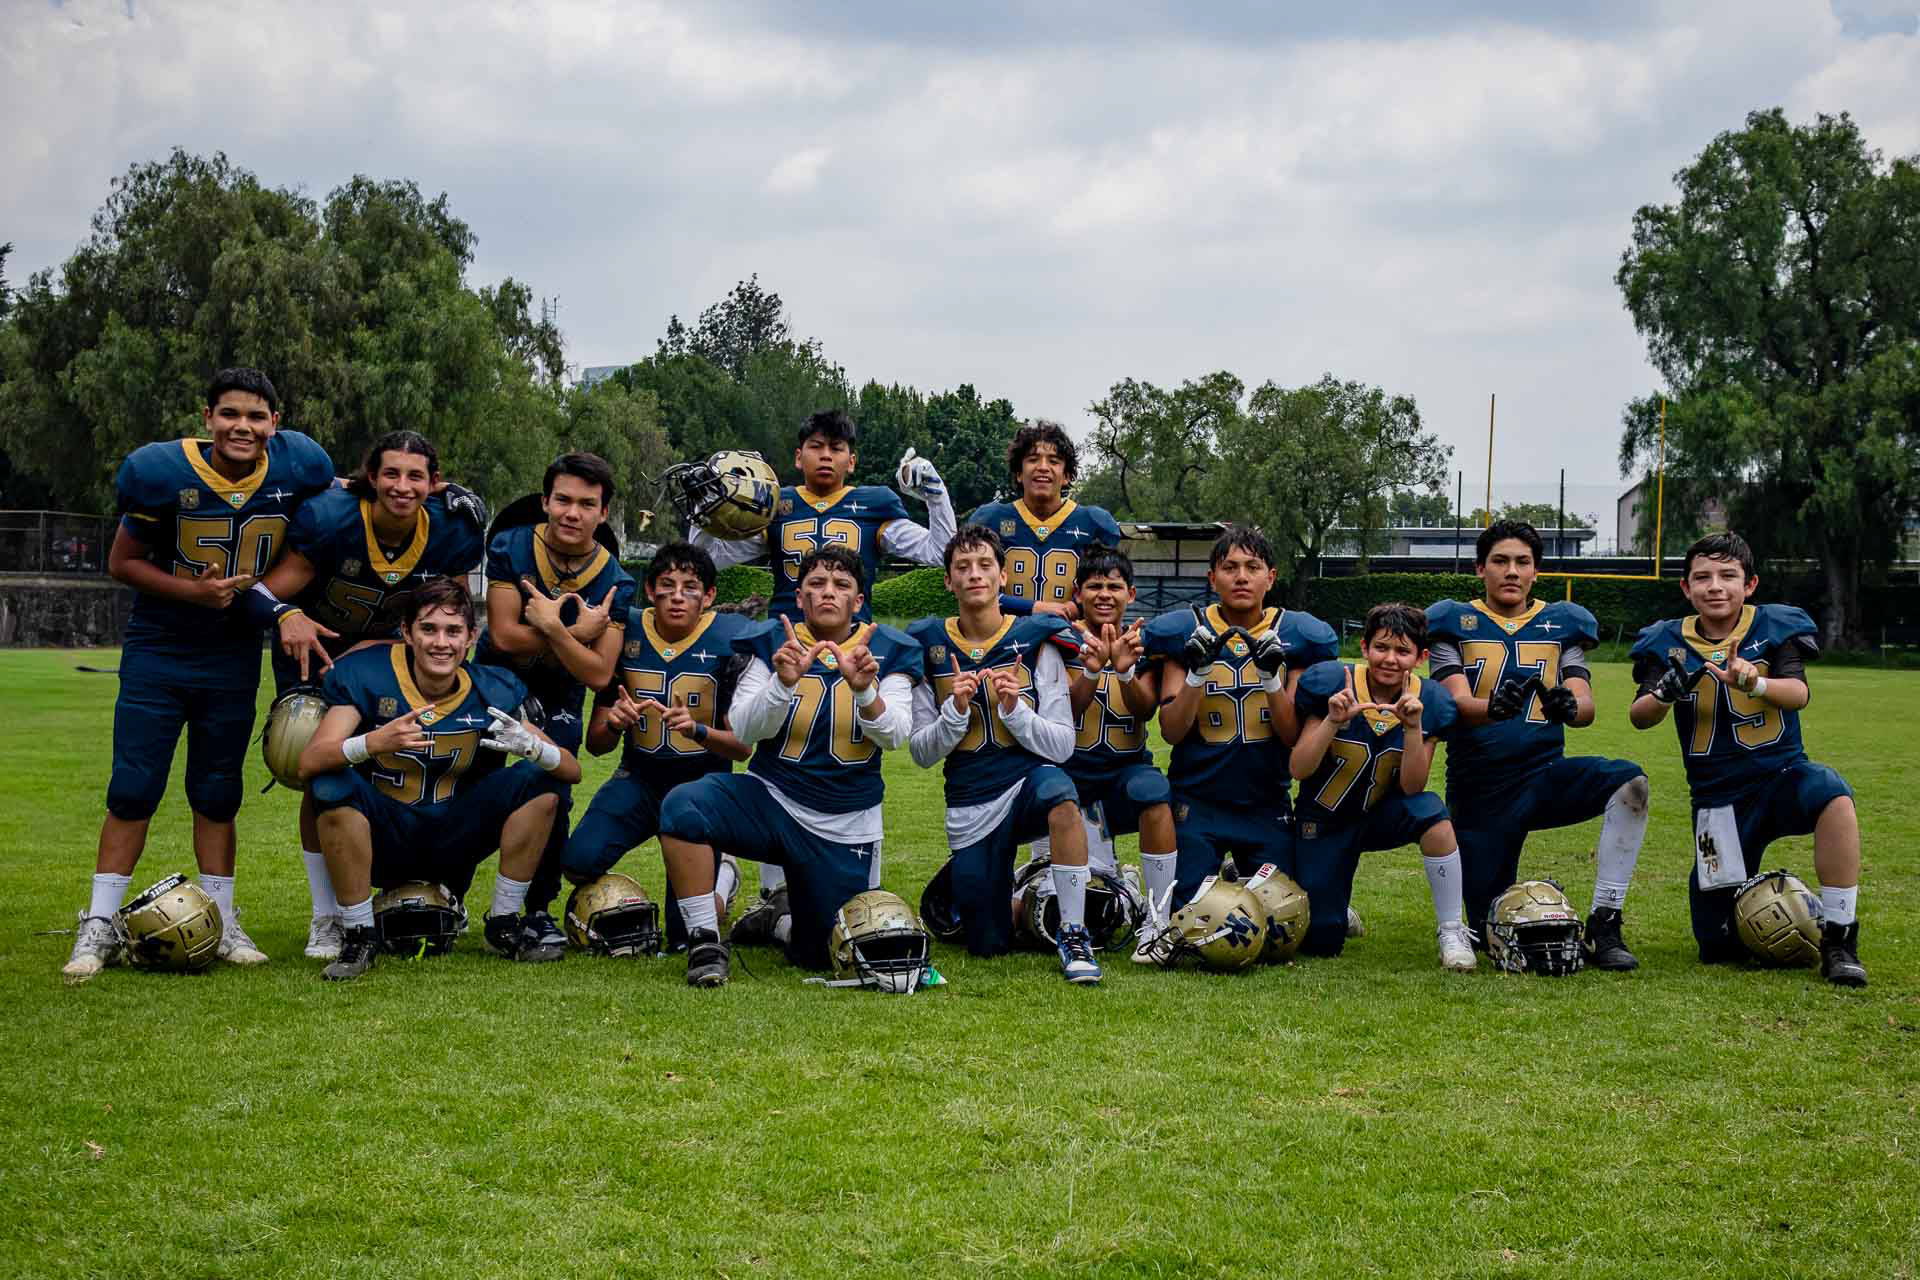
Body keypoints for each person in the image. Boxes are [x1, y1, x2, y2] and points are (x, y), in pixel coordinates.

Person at [65, 368, 335, 980]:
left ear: (275, 423)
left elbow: (339, 503)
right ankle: (99, 922)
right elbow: (122, 562)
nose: (243, 426)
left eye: (256, 416)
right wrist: (192, 591)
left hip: (231, 652)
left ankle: (222, 916)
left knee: (217, 790)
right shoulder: (163, 473)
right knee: (134, 786)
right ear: (208, 417)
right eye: (230, 413)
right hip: (160, 646)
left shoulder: (298, 467)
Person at [693, 408, 954, 909]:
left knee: (849, 755)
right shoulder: (775, 503)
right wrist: (704, 515)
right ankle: (774, 891)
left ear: (852, 460)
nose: (826, 456)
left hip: (854, 652)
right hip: (786, 647)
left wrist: (935, 495)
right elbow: (710, 559)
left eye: (837, 448)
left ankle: (844, 869)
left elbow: (937, 550)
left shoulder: (872, 504)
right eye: (816, 446)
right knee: (776, 752)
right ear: (798, 456)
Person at [247, 430, 486, 961]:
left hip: (400, 658)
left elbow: (452, 609)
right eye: (391, 473)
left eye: (416, 476)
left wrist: (389, 645)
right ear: (370, 477)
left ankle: (433, 888)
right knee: (315, 765)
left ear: (435, 482)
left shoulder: (451, 528)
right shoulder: (332, 518)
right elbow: (259, 589)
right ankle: (327, 916)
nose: (402, 486)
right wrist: (286, 614)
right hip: (320, 652)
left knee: (426, 758)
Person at [655, 547, 921, 987]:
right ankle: (705, 940)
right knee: (684, 805)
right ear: (799, 597)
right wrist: (781, 683)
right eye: (816, 584)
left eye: (841, 585)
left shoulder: (888, 648)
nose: (828, 593)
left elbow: (895, 735)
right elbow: (744, 728)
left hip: (845, 822)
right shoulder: (773, 641)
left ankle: (777, 920)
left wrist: (864, 691)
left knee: (818, 953)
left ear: (858, 600)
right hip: (772, 800)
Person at [297, 577, 580, 980]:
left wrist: (533, 746)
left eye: (453, 631)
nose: (441, 642)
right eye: (428, 629)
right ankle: (359, 934)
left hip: (453, 839)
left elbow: (571, 771)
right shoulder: (367, 674)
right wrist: (372, 742)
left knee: (541, 779)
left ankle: (503, 923)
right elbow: (310, 761)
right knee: (330, 782)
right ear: (406, 632)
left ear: (471, 637)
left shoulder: (491, 689)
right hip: (383, 838)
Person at [1628, 532, 1867, 986]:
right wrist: (1663, 695)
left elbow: (1798, 694)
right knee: (1718, 944)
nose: (1715, 586)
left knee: (1833, 794)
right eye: (1703, 577)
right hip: (1716, 801)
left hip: (1781, 776)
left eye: (1728, 575)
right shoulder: (1667, 640)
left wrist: (1753, 682)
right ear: (1686, 588)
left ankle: (1840, 937)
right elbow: (1640, 717)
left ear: (1750, 584)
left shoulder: (1773, 626)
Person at [1425, 520, 1648, 969]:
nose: (1512, 571)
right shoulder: (1452, 622)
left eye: (1522, 562)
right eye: (1500, 561)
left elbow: (1585, 706)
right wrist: (1493, 708)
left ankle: (1606, 922)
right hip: (1480, 790)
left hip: (1544, 775)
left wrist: (1570, 705)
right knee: (1491, 930)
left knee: (1630, 784)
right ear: (1480, 569)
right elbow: (1455, 703)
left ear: (1535, 571)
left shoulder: (1561, 624)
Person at [906, 525, 1103, 983]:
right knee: (987, 943)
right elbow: (920, 753)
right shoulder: (929, 645)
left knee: (1061, 794)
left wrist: (1014, 711)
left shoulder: (1035, 641)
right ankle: (998, 887)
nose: (974, 574)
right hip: (970, 800)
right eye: (962, 567)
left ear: (1003, 577)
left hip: (1026, 784)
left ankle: (1074, 931)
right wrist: (955, 713)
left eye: (984, 565)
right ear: (948, 581)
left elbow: (1062, 745)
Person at [475, 452, 637, 962]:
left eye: (586, 504)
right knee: (466, 774)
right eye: (563, 500)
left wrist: (549, 627)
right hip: (494, 680)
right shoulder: (510, 545)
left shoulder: (617, 580)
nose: (572, 512)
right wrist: (576, 634)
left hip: (561, 693)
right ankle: (444, 888)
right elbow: (503, 636)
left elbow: (599, 673)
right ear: (545, 501)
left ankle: (535, 908)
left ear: (603, 513)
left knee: (554, 788)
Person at [563, 542, 752, 949]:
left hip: (701, 790)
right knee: (578, 861)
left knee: (688, 934)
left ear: (709, 595)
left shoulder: (731, 638)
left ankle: (723, 881)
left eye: (690, 587)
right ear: (650, 590)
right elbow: (596, 745)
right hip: (641, 779)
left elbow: (741, 749)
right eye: (667, 585)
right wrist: (614, 723)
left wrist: (697, 730)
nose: (678, 596)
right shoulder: (626, 631)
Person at [1141, 526, 1338, 911]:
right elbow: (1172, 731)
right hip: (1197, 801)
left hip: (1265, 802)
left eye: (1252, 567)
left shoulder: (1297, 635)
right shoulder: (1186, 631)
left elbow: (1290, 735)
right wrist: (1196, 675)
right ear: (1212, 578)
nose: (1242, 577)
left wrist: (1270, 679)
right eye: (1230, 567)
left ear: (1271, 577)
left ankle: (1237, 879)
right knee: (1189, 918)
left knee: (1281, 919)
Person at [1290, 604, 1473, 970]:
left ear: (1421, 657)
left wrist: (1412, 728)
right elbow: (1299, 768)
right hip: (1324, 820)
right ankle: (1332, 902)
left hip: (1380, 815)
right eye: (1381, 647)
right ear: (1364, 647)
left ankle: (1452, 929)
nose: (1390, 659)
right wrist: (1331, 721)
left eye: (1402, 651)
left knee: (1431, 811)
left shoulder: (1431, 699)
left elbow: (1413, 785)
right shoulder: (1333, 682)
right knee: (1322, 939)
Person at [1057, 548, 1175, 964]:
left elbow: (1144, 710)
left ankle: (1158, 920)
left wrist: (1124, 670)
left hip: (1125, 767)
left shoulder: (1147, 644)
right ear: (1078, 593)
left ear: (1131, 593)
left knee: (1155, 794)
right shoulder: (1059, 641)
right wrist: (1093, 670)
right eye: (1095, 586)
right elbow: (1066, 710)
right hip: (1071, 769)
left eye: (1114, 586)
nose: (1104, 594)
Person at [967, 420, 1121, 620]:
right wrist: (1034, 607)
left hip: (1071, 634)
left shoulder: (1093, 522)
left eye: (1054, 461)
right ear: (1019, 473)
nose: (1043, 467)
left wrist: (1075, 607)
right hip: (1005, 633)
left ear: (1066, 476)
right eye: (1033, 459)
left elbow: (1110, 589)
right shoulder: (991, 519)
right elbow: (971, 588)